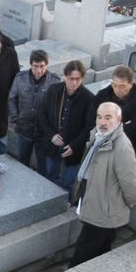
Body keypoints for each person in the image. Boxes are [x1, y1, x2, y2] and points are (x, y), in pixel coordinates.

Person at [68, 102, 136, 267]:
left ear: (119, 119)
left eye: (108, 117)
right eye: (99, 117)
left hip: (104, 210)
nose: (102, 122)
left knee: (83, 251)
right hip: (94, 201)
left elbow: (130, 185)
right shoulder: (98, 136)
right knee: (101, 249)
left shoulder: (122, 147)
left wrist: (123, 206)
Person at [39, 60, 94, 189]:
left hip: (72, 150)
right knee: (50, 177)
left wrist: (74, 146)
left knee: (68, 183)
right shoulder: (54, 90)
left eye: (78, 79)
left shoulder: (89, 98)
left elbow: (88, 127)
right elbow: (42, 114)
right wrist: (52, 135)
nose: (74, 82)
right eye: (71, 79)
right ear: (64, 76)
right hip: (53, 145)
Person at [8, 50, 60, 173]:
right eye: (35, 66)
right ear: (30, 64)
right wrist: (16, 118)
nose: (38, 70)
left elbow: (57, 107)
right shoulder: (20, 78)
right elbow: (12, 99)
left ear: (47, 64)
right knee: (22, 161)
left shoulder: (54, 81)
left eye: (42, 66)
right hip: (24, 129)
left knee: (42, 164)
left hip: (43, 133)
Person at [90, 65, 136, 155]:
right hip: (100, 145)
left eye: (122, 86)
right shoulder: (103, 95)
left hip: (124, 150)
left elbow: (133, 129)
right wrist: (120, 125)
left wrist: (105, 123)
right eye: (114, 85)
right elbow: (91, 116)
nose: (117, 90)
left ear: (131, 84)